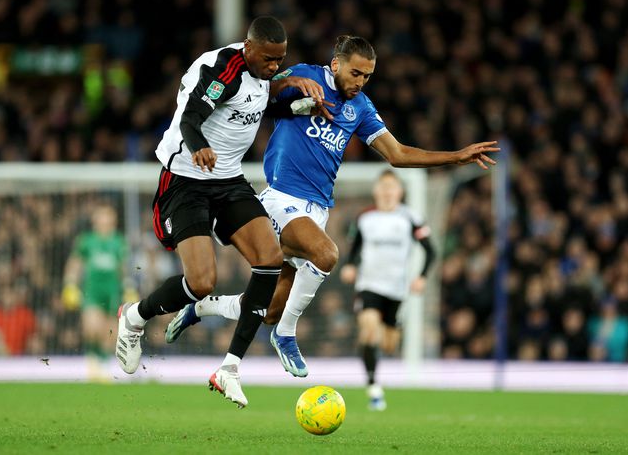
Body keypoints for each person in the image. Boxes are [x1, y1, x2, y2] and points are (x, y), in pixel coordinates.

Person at [165, 35, 499, 379]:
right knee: (326, 254)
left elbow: (397, 154)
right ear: (336, 64)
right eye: (356, 73)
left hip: (316, 211)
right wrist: (290, 85)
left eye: (368, 76)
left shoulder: (361, 108)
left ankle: (201, 308)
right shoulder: (307, 76)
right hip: (280, 199)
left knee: (266, 310)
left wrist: (455, 156)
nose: (360, 82)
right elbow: (262, 91)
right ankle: (286, 335)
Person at [114, 16, 327, 408]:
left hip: (227, 179)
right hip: (185, 179)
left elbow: (254, 107)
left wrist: (293, 99)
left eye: (280, 60)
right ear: (248, 47)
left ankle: (229, 368)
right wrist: (198, 147)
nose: (274, 66)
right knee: (201, 282)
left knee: (269, 258)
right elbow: (191, 118)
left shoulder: (263, 73)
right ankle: (134, 318)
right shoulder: (222, 69)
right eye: (268, 59)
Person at [339, 169, 436, 411]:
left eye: (391, 187)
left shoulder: (411, 218)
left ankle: (392, 329)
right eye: (382, 187)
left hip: (397, 290)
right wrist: (350, 265)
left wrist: (422, 277)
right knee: (369, 331)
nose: (387, 192)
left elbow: (431, 250)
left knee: (389, 344)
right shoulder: (364, 218)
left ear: (400, 192)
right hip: (369, 285)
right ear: (376, 191)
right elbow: (355, 248)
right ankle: (373, 387)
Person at [62, 204, 134, 381]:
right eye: (102, 216)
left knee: (110, 333)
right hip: (92, 291)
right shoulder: (86, 240)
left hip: (112, 291)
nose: (105, 221)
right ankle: (93, 359)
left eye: (108, 217)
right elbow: (75, 264)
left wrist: (129, 288)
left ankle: (102, 366)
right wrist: (70, 284)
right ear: (95, 220)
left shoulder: (119, 241)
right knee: (91, 328)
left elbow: (124, 269)